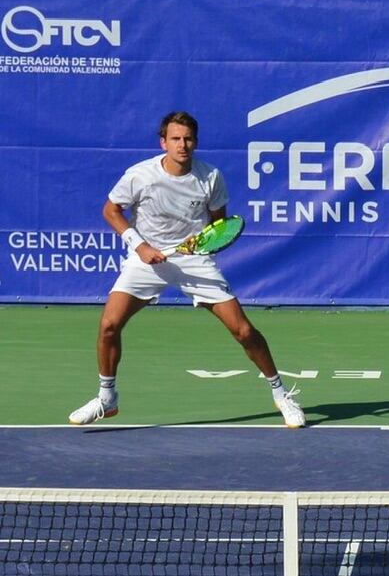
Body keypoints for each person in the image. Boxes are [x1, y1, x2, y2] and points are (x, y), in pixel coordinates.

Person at [68, 111, 305, 429]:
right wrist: (140, 245)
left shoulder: (210, 177)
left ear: (196, 141)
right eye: (176, 139)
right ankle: (107, 397)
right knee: (109, 325)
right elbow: (111, 210)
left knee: (244, 331)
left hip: (194, 261)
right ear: (163, 142)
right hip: (146, 259)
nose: (183, 145)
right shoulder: (140, 175)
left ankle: (281, 395)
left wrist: (204, 240)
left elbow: (220, 225)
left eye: (188, 139)